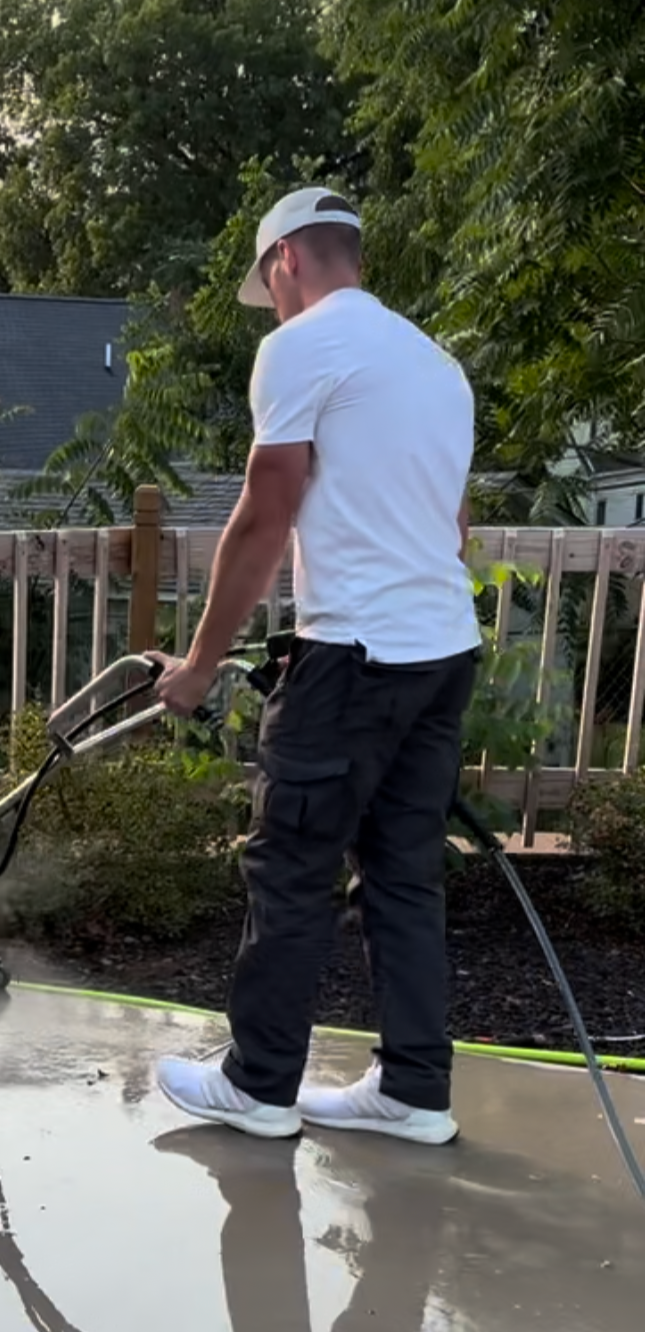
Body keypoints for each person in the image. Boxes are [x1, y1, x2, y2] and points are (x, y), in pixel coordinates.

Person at [152, 186, 480, 1146]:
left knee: (291, 863)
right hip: (440, 653)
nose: (275, 301)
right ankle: (414, 1088)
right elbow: (452, 524)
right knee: (403, 874)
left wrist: (202, 664)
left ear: (285, 258)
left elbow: (267, 508)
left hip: (353, 660)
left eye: (270, 283)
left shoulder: (299, 348)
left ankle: (258, 1085)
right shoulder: (436, 364)